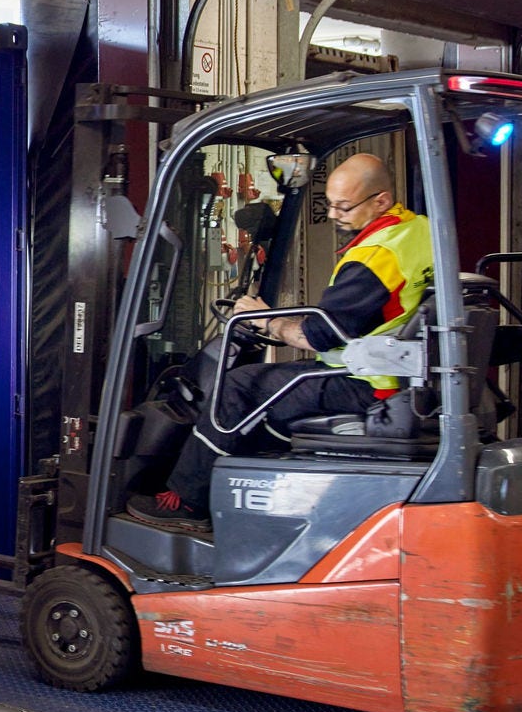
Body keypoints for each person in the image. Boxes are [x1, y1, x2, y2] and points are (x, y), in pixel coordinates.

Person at [125, 153, 434, 535]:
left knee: (239, 385)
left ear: (381, 201)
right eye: (330, 204)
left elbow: (317, 335)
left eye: (343, 206)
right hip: (389, 375)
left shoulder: (376, 258)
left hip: (367, 383)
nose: (334, 215)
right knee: (266, 396)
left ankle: (187, 501)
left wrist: (268, 320)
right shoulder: (418, 230)